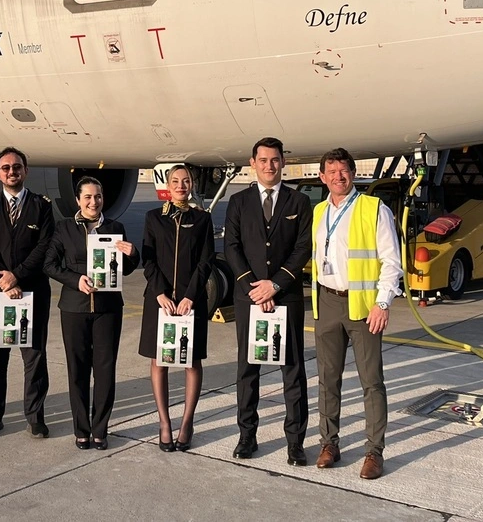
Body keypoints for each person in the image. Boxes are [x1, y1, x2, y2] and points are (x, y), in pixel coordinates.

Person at [310, 148, 402, 480]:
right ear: (322, 177)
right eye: (332, 171)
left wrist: (383, 303)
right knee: (327, 379)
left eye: (344, 170)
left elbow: (391, 261)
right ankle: (329, 444)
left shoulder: (374, 209)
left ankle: (374, 452)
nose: (339, 177)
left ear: (353, 173)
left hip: (363, 306)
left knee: (371, 382)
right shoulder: (319, 211)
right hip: (327, 301)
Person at [224, 137, 313, 466]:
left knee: (293, 370)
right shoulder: (238, 201)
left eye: (275, 160)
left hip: (286, 296)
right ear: (253, 163)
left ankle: (295, 441)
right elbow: (231, 247)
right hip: (249, 298)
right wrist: (254, 288)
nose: (269, 166)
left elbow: (302, 248)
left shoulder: (298, 201)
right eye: (263, 160)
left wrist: (274, 285)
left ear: (283, 162)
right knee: (248, 369)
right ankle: (247, 435)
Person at [45, 177, 139, 450]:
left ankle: (100, 429)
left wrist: (133, 254)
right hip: (74, 308)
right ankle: (81, 430)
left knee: (105, 370)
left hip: (108, 309)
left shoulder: (115, 228)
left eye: (97, 196)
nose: (93, 202)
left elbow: (126, 269)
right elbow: (49, 264)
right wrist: (76, 280)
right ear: (78, 200)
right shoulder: (64, 228)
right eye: (87, 197)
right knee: (78, 370)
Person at [0, 147, 55, 438]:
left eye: (17, 167)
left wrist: (17, 275)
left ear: (25, 171)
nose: (12, 172)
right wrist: (5, 280)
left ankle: (35, 417)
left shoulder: (41, 206)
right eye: (6, 168)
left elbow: (44, 246)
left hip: (32, 290)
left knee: (34, 357)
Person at [139, 165, 214, 452]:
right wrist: (159, 293)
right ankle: (164, 422)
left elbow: (206, 261)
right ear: (167, 185)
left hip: (190, 303)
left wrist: (190, 297)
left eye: (186, 181)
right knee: (159, 361)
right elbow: (148, 259)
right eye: (175, 181)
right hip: (159, 301)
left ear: (192, 184)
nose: (181, 185)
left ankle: (187, 422)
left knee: (191, 361)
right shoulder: (154, 217)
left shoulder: (202, 219)